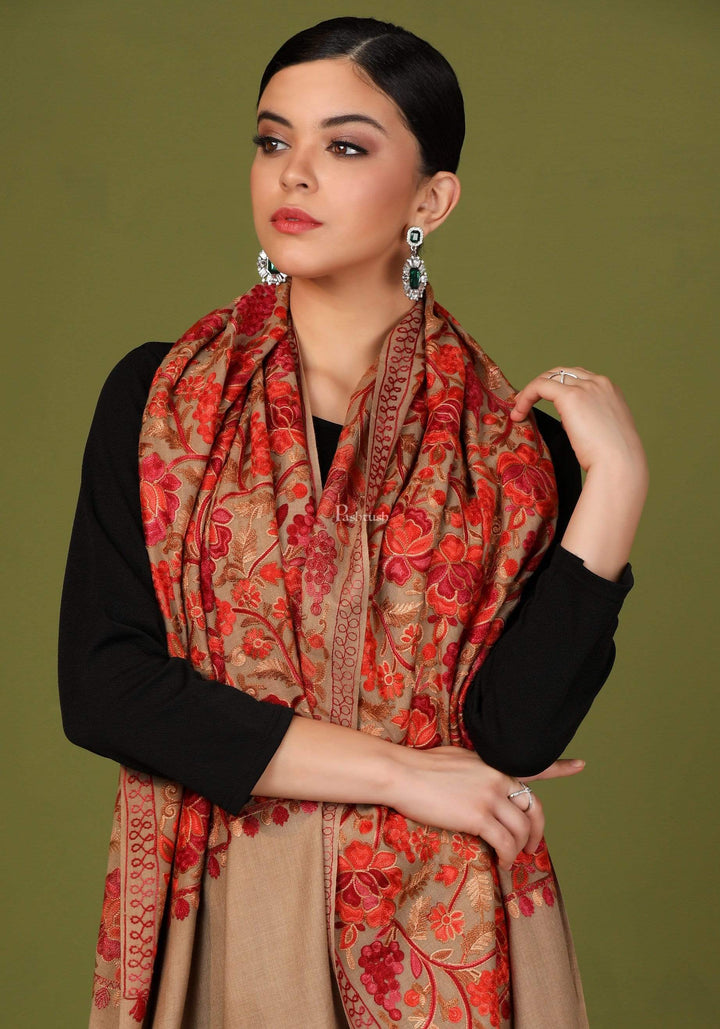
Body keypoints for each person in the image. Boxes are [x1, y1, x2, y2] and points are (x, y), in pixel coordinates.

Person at [58, 16, 647, 1029]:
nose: (293, 172)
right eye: (272, 139)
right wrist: (402, 773)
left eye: (344, 146)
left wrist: (618, 485)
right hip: (231, 916)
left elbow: (510, 737)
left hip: (447, 933)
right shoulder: (161, 405)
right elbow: (108, 688)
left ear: (431, 200)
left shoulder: (513, 458)